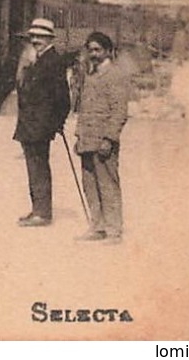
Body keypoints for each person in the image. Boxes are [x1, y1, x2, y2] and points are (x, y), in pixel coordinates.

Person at [12, 18, 71, 227]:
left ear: (49, 39)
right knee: (34, 167)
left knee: (39, 168)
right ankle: (37, 209)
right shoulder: (37, 59)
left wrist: (55, 123)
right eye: (33, 37)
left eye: (39, 37)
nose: (35, 40)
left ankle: (43, 213)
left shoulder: (53, 61)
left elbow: (63, 98)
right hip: (30, 124)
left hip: (39, 126)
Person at [73, 31, 129, 243]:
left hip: (104, 142)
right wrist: (79, 136)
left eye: (97, 50)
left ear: (107, 51)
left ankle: (114, 231)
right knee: (90, 185)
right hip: (87, 140)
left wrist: (109, 139)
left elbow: (119, 112)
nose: (93, 54)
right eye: (90, 50)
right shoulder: (91, 75)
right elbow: (84, 109)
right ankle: (97, 227)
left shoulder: (115, 75)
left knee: (108, 185)